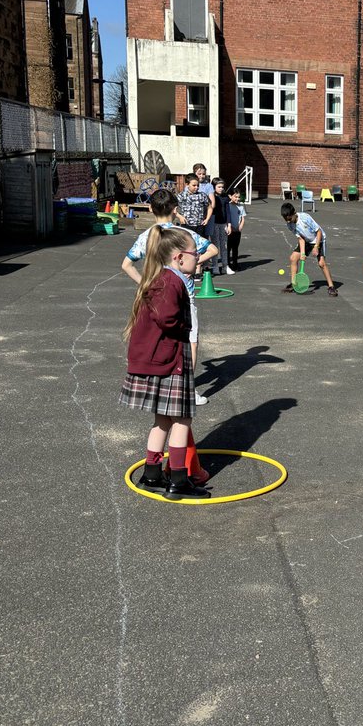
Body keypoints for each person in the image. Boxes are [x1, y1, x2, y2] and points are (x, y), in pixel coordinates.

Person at [119, 226, 210, 498]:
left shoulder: (158, 277)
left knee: (162, 420)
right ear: (179, 258)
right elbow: (167, 318)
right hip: (170, 359)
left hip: (157, 358)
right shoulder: (172, 281)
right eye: (195, 254)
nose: (199, 259)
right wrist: (184, 326)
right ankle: (178, 480)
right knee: (183, 420)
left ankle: (152, 473)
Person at [121, 187, 217, 411]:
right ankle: (187, 390)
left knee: (157, 343)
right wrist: (192, 265)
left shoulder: (147, 236)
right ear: (176, 210)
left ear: (150, 209)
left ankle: (157, 389)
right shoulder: (183, 235)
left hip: (153, 298)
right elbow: (213, 249)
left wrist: (145, 284)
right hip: (183, 296)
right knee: (188, 342)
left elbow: (126, 264)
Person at [280, 202, 338, 296]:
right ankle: (294, 284)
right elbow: (300, 238)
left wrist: (316, 247)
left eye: (290, 219)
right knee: (293, 258)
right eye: (286, 220)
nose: (288, 221)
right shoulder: (289, 224)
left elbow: (318, 231)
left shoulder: (305, 218)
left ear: (294, 213)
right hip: (306, 240)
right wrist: (303, 253)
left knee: (321, 263)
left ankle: (331, 287)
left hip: (319, 239)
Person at [177, 173, 213, 240]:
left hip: (199, 226)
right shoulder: (181, 196)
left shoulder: (202, 195)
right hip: (186, 225)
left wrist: (207, 219)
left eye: (198, 185)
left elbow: (210, 207)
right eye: (194, 185)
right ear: (187, 184)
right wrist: (179, 216)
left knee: (199, 246)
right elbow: (172, 208)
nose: (196, 187)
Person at [210, 178, 233, 275]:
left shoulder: (225, 197)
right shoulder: (211, 197)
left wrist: (229, 224)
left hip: (223, 224)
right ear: (214, 187)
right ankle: (215, 266)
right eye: (219, 187)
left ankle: (225, 266)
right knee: (215, 245)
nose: (221, 189)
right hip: (214, 223)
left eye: (222, 187)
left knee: (224, 246)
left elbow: (228, 212)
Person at [227, 188, 246, 272]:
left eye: (238, 197)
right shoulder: (227, 206)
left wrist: (241, 226)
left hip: (237, 231)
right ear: (230, 196)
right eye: (235, 197)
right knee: (228, 248)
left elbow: (242, 218)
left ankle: (235, 264)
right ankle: (227, 264)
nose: (237, 199)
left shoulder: (241, 207)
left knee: (235, 248)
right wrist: (229, 227)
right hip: (229, 231)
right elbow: (227, 218)